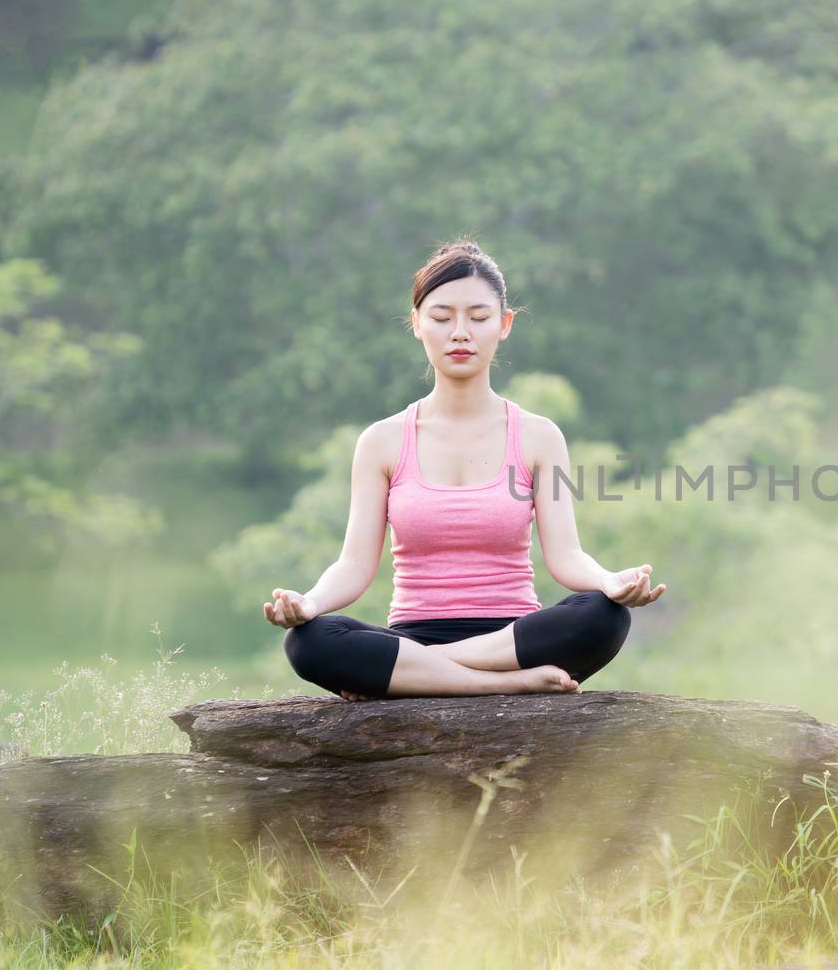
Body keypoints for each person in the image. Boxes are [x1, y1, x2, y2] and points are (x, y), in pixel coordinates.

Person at [263, 237, 666, 701]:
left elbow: (566, 557)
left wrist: (608, 581)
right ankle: (508, 686)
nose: (460, 333)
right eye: (441, 317)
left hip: (512, 640)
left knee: (606, 616)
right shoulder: (381, 442)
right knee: (308, 641)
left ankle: (423, 679)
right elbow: (354, 566)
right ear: (416, 324)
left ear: (504, 324)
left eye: (478, 318)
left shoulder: (538, 437)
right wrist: (308, 603)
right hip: (413, 639)